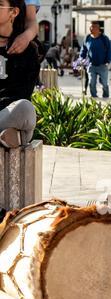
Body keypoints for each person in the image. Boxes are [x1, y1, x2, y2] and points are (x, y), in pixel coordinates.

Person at [0, 0, 40, 219]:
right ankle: (13, 136)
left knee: (25, 109)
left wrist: (25, 37)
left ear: (14, 12)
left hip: (11, 111)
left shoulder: (27, 50)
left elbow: (22, 95)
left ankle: (13, 134)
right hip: (2, 118)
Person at [80, 22, 111, 99]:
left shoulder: (104, 39)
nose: (91, 28)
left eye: (93, 27)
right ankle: (94, 97)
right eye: (90, 27)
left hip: (103, 65)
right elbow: (83, 50)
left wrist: (108, 61)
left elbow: (110, 50)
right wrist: (81, 60)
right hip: (91, 65)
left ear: (98, 29)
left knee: (104, 83)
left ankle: (105, 96)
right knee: (91, 82)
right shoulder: (87, 38)